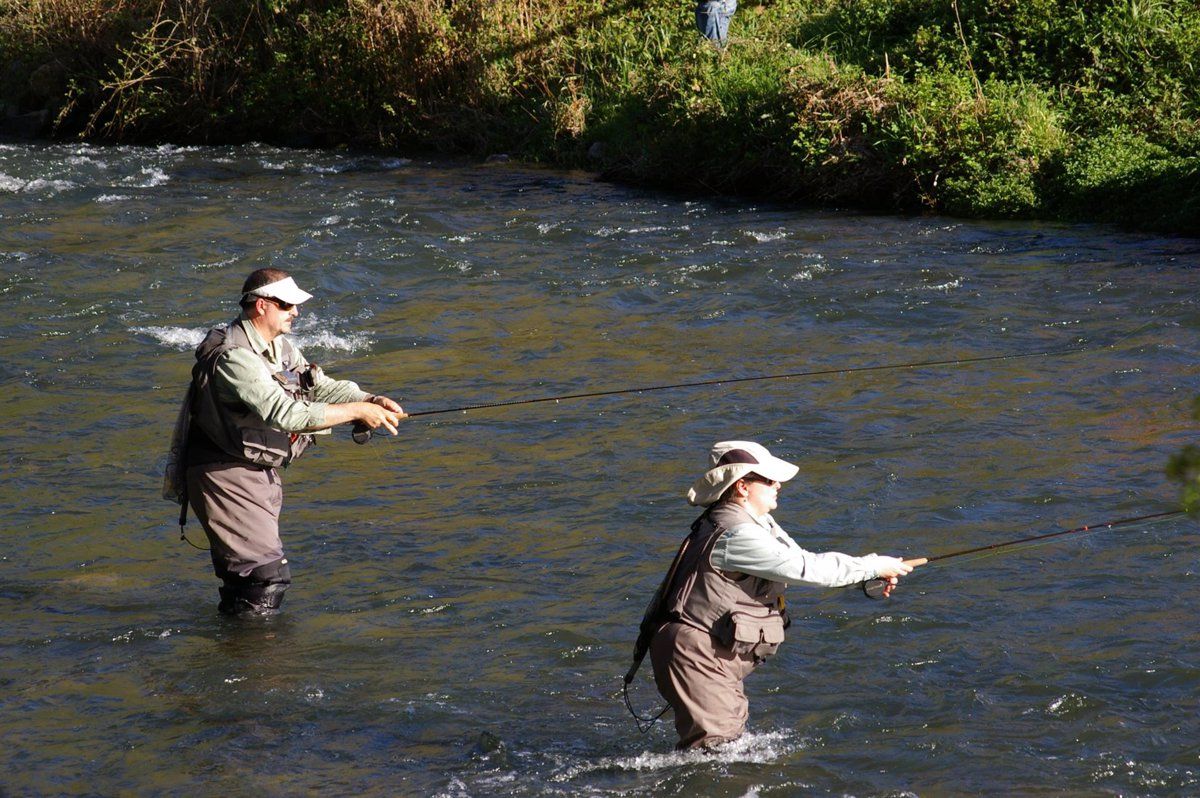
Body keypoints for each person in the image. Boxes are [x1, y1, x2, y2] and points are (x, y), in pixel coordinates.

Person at [639, 440, 917, 749]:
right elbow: (806, 568)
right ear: (743, 487)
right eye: (769, 480)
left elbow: (796, 564)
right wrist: (872, 565)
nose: (779, 485)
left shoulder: (758, 523)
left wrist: (870, 573)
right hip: (697, 653)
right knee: (716, 753)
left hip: (710, 651)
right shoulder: (737, 534)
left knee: (726, 747)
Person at [166, 268, 405, 616]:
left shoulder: (279, 347)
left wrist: (370, 399)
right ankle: (256, 661)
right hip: (225, 475)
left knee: (249, 579)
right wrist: (356, 410)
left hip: (253, 473)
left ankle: (237, 653)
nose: (296, 311)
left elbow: (317, 386)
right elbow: (286, 414)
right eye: (287, 304)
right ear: (261, 306)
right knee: (262, 578)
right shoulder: (236, 358)